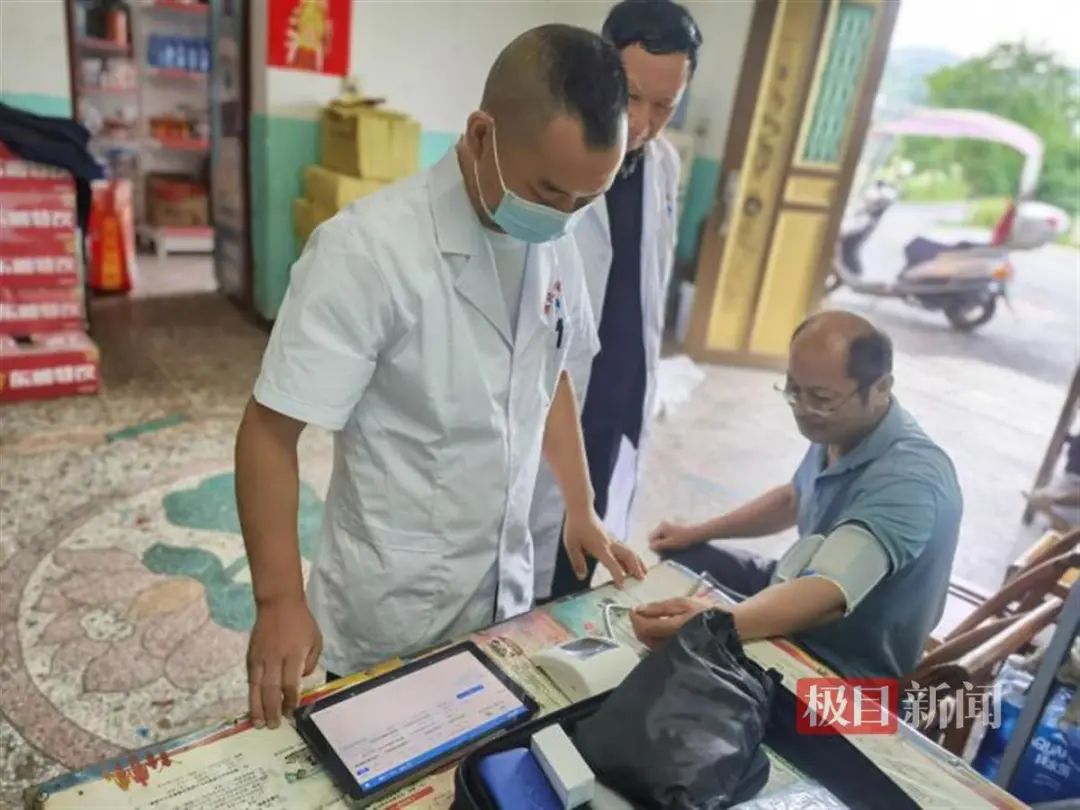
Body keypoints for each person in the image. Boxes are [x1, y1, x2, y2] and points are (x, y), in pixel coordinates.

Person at [236, 24, 646, 729]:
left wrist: (580, 507)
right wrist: (278, 600)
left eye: (586, 200)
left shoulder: (557, 239)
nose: (563, 218)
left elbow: (549, 374)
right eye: (550, 191)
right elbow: (269, 433)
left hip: (504, 597)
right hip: (392, 606)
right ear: (482, 134)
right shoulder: (368, 252)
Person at [632, 311, 963, 680]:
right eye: (794, 390)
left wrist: (715, 622)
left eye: (820, 398)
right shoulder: (838, 430)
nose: (803, 410)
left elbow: (829, 592)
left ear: (881, 388)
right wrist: (695, 532)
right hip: (797, 583)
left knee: (679, 673)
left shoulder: (910, 480)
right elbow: (794, 498)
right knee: (681, 557)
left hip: (843, 666)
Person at [531, 0, 703, 601]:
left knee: (585, 552)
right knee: (528, 550)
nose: (643, 122)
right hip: (554, 394)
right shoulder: (551, 155)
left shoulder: (664, 166)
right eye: (631, 97)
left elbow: (648, 283)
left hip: (619, 394)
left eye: (665, 106)